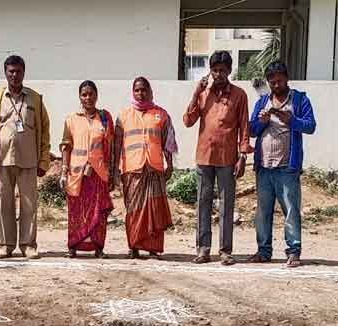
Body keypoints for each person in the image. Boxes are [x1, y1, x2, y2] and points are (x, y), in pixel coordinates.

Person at [183, 50, 251, 266]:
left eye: (222, 70)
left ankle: (225, 251)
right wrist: (196, 92)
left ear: (229, 70)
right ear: (210, 71)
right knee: (203, 203)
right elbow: (188, 120)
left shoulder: (240, 95)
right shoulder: (203, 94)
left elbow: (244, 127)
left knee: (227, 204)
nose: (218, 74)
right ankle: (203, 250)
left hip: (228, 158)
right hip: (204, 156)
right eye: (215, 70)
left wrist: (242, 156)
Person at [0, 55, 51, 259]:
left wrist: (44, 160)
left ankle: (28, 245)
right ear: (5, 73)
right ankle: (5, 244)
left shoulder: (35, 98)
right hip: (1, 161)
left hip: (29, 160)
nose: (14, 75)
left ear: (24, 73)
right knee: (3, 203)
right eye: (11, 71)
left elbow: (44, 131)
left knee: (29, 205)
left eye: (18, 71)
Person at [248, 61, 316, 269]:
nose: (276, 85)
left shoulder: (299, 99)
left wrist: (291, 120)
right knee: (263, 211)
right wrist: (263, 121)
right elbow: (251, 130)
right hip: (264, 166)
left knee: (290, 210)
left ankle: (294, 252)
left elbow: (311, 126)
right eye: (272, 81)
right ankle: (264, 251)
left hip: (287, 166)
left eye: (279, 80)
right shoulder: (262, 102)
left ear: (287, 78)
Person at [115, 77, 176, 259]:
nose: (140, 93)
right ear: (132, 92)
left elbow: (169, 142)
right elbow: (116, 145)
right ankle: (133, 246)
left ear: (150, 91)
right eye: (137, 90)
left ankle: (153, 248)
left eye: (144, 90)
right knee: (133, 210)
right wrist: (114, 170)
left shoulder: (161, 114)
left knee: (155, 209)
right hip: (132, 169)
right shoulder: (123, 115)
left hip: (154, 169)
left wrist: (170, 165)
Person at [59, 80, 114, 258]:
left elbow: (110, 148)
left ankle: (98, 248)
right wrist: (64, 171)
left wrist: (113, 172)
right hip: (77, 175)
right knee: (77, 212)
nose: (88, 97)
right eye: (84, 94)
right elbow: (66, 146)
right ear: (80, 97)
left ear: (96, 95)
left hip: (98, 174)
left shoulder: (105, 118)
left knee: (98, 212)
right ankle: (73, 246)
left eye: (91, 94)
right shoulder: (71, 120)